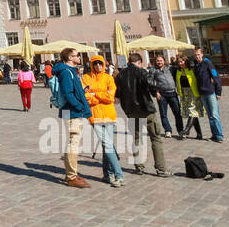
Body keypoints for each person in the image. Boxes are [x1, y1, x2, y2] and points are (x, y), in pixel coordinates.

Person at [117, 52, 171, 177]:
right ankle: (161, 169)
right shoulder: (142, 72)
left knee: (137, 139)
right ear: (139, 62)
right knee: (156, 138)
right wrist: (158, 88)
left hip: (131, 112)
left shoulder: (120, 75)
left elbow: (118, 95)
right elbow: (152, 84)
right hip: (146, 110)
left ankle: (139, 167)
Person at [52, 48, 92, 188]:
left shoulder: (70, 71)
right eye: (77, 55)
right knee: (73, 142)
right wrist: (79, 106)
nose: (79, 58)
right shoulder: (66, 72)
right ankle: (71, 177)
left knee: (74, 142)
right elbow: (68, 93)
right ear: (70, 57)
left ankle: (72, 172)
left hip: (73, 110)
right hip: (71, 111)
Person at [83, 55, 124, 187]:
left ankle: (107, 174)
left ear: (104, 65)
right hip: (95, 116)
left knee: (107, 145)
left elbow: (110, 97)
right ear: (92, 65)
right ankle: (119, 175)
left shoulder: (108, 78)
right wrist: (99, 96)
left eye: (100, 64)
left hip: (109, 115)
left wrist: (96, 95)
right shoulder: (86, 78)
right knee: (108, 145)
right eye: (95, 64)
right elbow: (85, 96)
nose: (98, 66)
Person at [192, 47, 224, 142]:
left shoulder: (207, 63)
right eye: (195, 55)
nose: (197, 56)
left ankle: (219, 135)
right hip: (202, 94)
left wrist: (218, 92)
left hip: (210, 93)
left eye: (198, 54)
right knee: (210, 115)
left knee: (214, 115)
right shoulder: (196, 65)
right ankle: (214, 134)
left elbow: (216, 76)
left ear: (202, 54)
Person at [149, 54, 183, 138]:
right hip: (162, 94)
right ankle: (168, 130)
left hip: (172, 93)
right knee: (163, 114)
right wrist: (155, 92)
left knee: (178, 113)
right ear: (155, 62)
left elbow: (179, 70)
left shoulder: (170, 68)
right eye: (158, 61)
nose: (159, 62)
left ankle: (180, 130)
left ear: (164, 61)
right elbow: (151, 83)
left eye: (161, 60)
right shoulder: (153, 70)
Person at [175, 56, 204, 139]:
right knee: (192, 112)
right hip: (184, 93)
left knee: (192, 111)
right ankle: (199, 134)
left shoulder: (192, 69)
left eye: (181, 61)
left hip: (193, 92)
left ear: (185, 61)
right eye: (179, 62)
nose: (180, 63)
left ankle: (187, 129)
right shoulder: (178, 71)